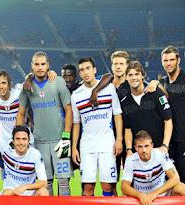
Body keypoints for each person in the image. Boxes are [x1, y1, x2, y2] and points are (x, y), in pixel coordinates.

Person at [17, 51, 73, 196]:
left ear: (48, 65)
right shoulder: (27, 87)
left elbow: (68, 109)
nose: (40, 67)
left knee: (63, 181)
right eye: (37, 64)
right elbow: (21, 113)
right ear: (32, 66)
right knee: (45, 181)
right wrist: (19, 135)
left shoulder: (58, 81)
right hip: (39, 141)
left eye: (43, 64)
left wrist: (66, 135)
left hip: (62, 141)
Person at [71, 57, 123, 196]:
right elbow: (76, 123)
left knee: (107, 186)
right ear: (80, 74)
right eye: (82, 70)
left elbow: (117, 114)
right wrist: (74, 147)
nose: (85, 72)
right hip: (87, 145)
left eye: (88, 68)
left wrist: (119, 139)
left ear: (94, 70)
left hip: (107, 143)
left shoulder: (108, 88)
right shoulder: (76, 95)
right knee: (88, 187)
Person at [147, 46, 185, 182]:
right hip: (167, 142)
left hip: (183, 139)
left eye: (172, 60)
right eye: (165, 60)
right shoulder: (162, 82)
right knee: (171, 184)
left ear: (178, 60)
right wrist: (155, 82)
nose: (168, 63)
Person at [121, 130, 185, 205]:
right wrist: (141, 196)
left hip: (161, 193)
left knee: (181, 187)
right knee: (123, 198)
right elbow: (124, 187)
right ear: (135, 148)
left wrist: (154, 194)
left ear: (152, 146)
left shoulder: (160, 154)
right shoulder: (131, 160)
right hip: (140, 197)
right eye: (140, 147)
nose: (144, 150)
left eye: (146, 146)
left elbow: (175, 178)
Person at [122, 61, 172, 156]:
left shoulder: (156, 93)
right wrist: (128, 149)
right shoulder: (125, 102)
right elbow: (127, 128)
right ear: (126, 77)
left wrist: (165, 145)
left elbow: (168, 120)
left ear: (142, 76)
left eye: (137, 74)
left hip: (159, 150)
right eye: (130, 75)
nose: (134, 77)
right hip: (138, 153)